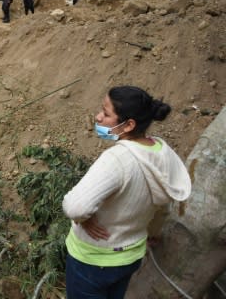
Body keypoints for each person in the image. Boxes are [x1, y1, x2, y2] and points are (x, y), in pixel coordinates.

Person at [62, 86, 191, 299]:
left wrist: (83, 218)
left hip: (92, 260)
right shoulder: (161, 152)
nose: (98, 117)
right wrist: (153, 233)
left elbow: (75, 206)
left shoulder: (117, 160)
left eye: (106, 113)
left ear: (129, 124)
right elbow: (163, 207)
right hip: (129, 257)